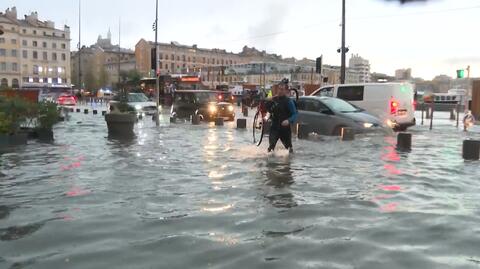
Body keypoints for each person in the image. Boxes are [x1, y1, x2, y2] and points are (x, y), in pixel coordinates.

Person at [266, 78, 298, 153]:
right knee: (270, 149)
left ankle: (288, 164)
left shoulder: (289, 101)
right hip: (274, 127)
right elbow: (268, 110)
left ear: (286, 91)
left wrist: (288, 120)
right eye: (279, 89)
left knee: (289, 149)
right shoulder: (273, 99)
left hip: (285, 128)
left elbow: (295, 114)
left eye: (282, 89)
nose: (280, 91)